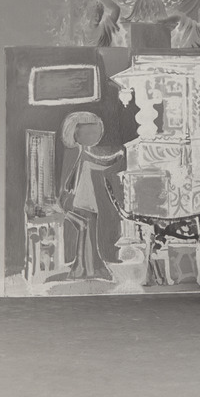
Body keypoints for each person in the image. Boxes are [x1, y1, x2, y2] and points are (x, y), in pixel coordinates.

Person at [59, 112, 124, 281]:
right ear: (76, 134)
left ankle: (87, 267)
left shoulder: (82, 152)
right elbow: (101, 163)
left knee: (88, 232)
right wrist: (117, 157)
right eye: (88, 133)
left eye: (95, 132)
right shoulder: (82, 153)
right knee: (88, 231)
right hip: (82, 200)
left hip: (86, 198)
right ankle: (88, 267)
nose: (94, 136)